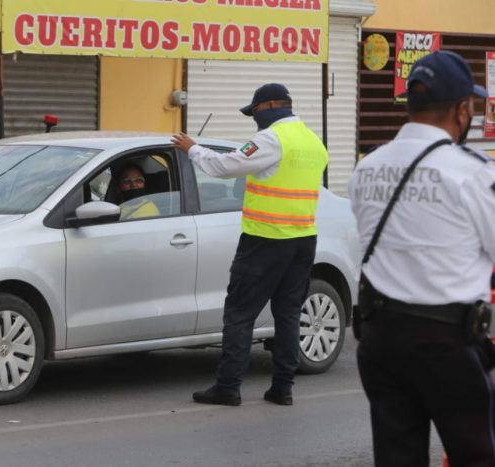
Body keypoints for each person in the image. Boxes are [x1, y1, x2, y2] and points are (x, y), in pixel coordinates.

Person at [348, 50, 495, 467]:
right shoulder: (470, 171)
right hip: (445, 341)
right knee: (477, 455)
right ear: (462, 110)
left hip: (379, 340)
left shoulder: (368, 167)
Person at [171, 83, 328, 406]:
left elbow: (225, 167)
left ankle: (228, 387)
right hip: (302, 240)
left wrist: (193, 149)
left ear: (270, 105)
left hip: (265, 240)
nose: (254, 118)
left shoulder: (271, 138)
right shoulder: (314, 142)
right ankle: (282, 388)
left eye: (254, 111)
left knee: (240, 313)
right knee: (288, 314)